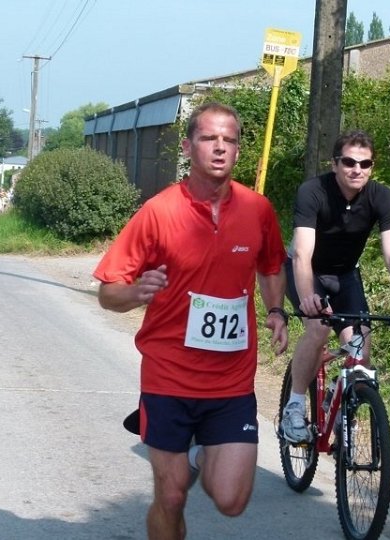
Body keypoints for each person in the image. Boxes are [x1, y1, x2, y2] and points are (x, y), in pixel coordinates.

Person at [93, 102, 289, 540]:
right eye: (208, 138)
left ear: (238, 150)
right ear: (187, 147)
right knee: (172, 495)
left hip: (231, 382)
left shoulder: (257, 209)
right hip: (169, 378)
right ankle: (184, 468)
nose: (220, 147)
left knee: (232, 501)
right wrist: (136, 292)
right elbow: (108, 291)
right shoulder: (158, 212)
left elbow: (272, 266)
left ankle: (198, 455)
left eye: (229, 140)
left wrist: (276, 310)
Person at [279, 129, 390, 444]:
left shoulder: (381, 197)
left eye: (365, 163)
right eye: (349, 162)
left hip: (345, 276)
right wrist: (307, 298)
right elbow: (302, 253)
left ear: (372, 167)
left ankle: (340, 399)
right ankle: (294, 407)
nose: (357, 169)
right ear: (335, 164)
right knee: (318, 329)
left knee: (360, 348)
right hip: (305, 271)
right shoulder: (313, 191)